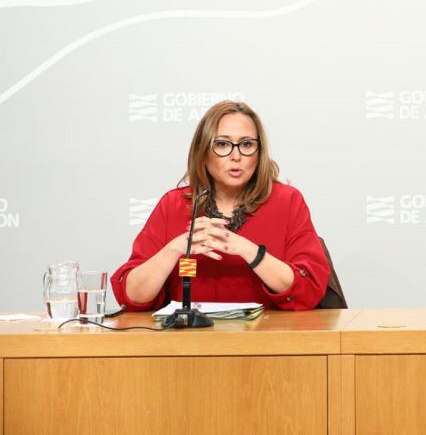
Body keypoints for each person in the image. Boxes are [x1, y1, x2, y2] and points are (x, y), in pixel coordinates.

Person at [112, 101, 330, 311]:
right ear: (203, 152)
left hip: (267, 343)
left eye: (246, 144)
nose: (236, 156)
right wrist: (175, 249)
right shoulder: (174, 204)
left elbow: (309, 290)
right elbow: (132, 297)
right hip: (190, 345)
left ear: (259, 152)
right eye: (222, 144)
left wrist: (247, 250)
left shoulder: (286, 201)